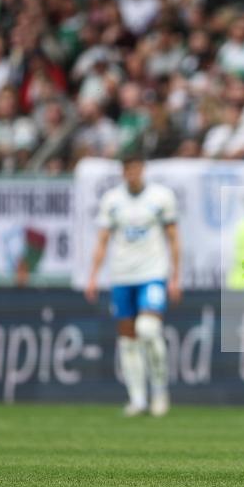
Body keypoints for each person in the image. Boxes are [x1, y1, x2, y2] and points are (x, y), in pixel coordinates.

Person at [85, 157, 181, 417]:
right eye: (128, 170)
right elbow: (102, 240)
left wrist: (175, 277)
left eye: (137, 169)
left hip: (152, 273)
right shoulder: (112, 201)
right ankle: (137, 399)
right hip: (122, 276)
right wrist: (93, 276)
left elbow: (173, 238)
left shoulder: (161, 197)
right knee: (128, 340)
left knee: (148, 330)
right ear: (123, 172)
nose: (133, 174)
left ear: (143, 170)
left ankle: (160, 392)